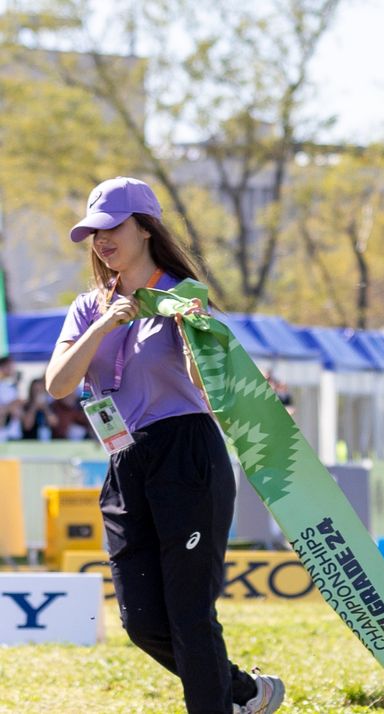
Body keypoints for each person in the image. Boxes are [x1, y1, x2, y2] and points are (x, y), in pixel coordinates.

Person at [43, 177, 283, 714]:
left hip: (187, 453)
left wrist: (196, 334)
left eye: (113, 227)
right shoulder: (88, 308)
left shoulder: (182, 295)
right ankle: (246, 692)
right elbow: (58, 385)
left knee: (190, 615)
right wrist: (102, 326)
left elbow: (209, 387)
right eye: (93, 232)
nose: (101, 241)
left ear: (145, 228)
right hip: (124, 461)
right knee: (143, 621)